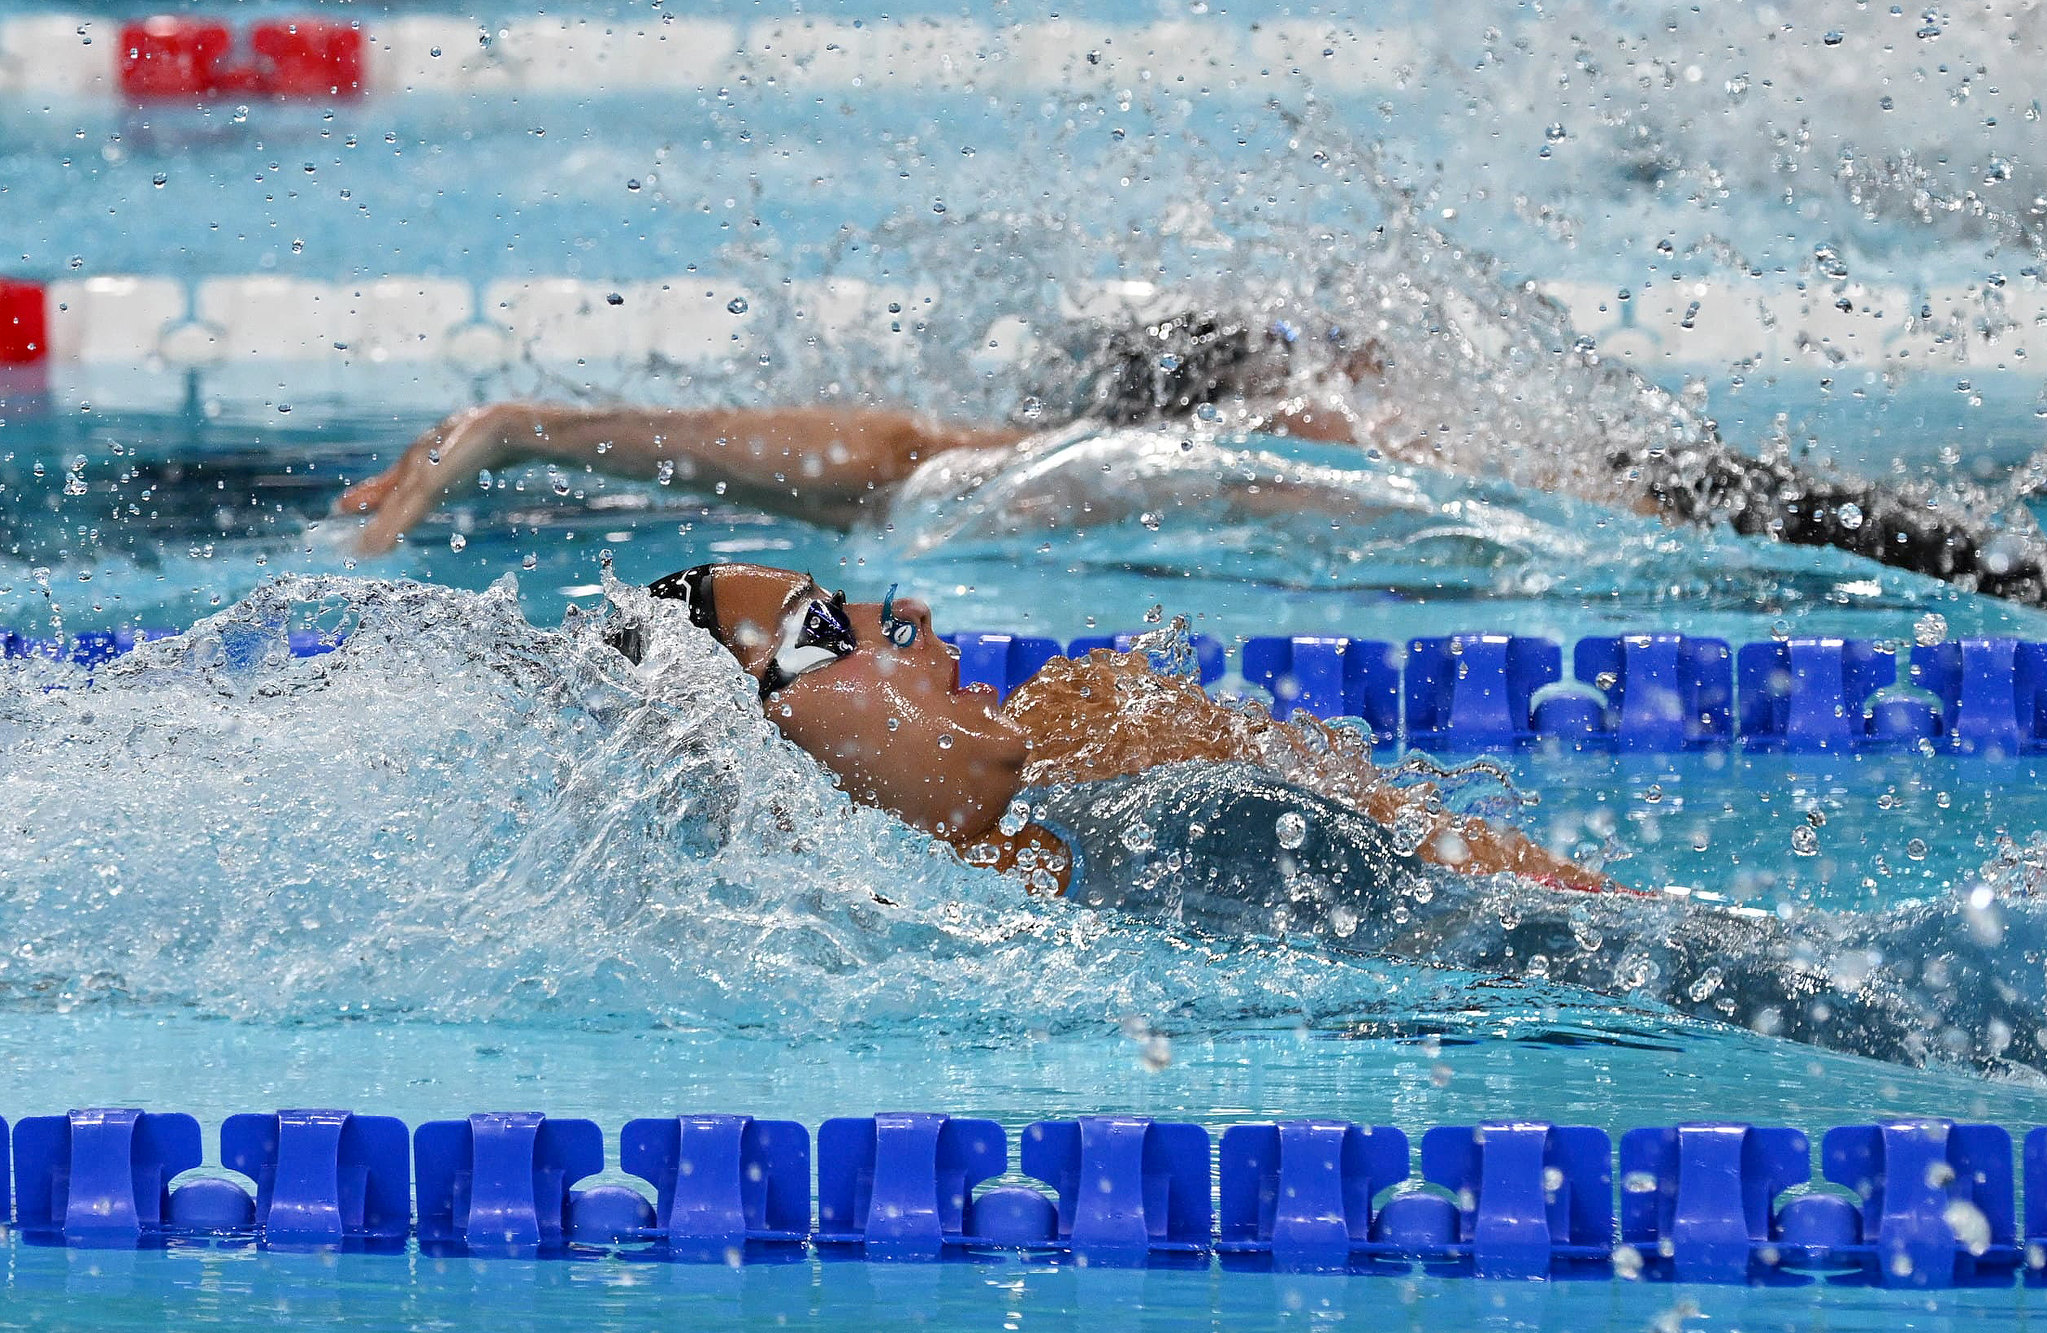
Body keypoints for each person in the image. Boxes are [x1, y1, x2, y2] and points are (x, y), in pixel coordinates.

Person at [593, 560, 2044, 1075]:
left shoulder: (1105, 716)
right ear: (746, 744)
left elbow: (1487, 866)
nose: (904, 612)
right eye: (825, 626)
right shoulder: (863, 973)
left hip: (1716, 987)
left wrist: (1765, 950)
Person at [339, 310, 2047, 603]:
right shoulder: (1229, 468)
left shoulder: (1476, 473)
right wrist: (524, 425)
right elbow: (894, 456)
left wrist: (528, 428)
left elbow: (884, 455)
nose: (1354, 384)